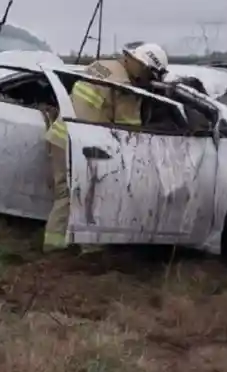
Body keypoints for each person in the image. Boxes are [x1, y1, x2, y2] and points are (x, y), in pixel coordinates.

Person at [42, 43, 170, 253]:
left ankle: (59, 246)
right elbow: (130, 130)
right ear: (142, 66)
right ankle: (66, 251)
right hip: (81, 145)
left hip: (61, 136)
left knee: (66, 194)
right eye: (149, 74)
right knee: (87, 197)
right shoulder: (125, 88)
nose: (148, 80)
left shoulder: (102, 65)